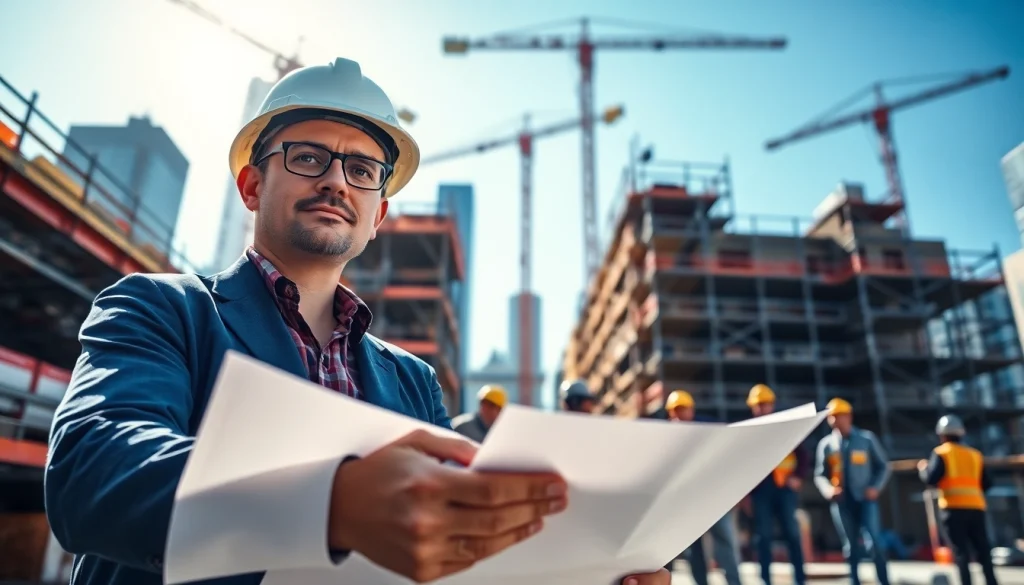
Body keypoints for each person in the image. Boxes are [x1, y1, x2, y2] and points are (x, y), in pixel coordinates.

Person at [42, 58, 670, 585]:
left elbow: (453, 556)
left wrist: (579, 568)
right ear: (252, 185)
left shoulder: (412, 381)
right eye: (309, 158)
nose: (338, 181)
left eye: (363, 171)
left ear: (379, 214)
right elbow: (91, 468)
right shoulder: (160, 309)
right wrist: (328, 501)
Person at [662, 390, 743, 585]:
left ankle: (734, 582)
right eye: (675, 411)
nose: (679, 415)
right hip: (687, 501)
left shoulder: (708, 428)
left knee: (724, 541)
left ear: (691, 410)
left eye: (683, 410)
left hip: (713, 497)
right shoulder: (667, 437)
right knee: (693, 548)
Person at [813, 398, 891, 585]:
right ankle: (854, 581)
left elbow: (883, 467)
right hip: (841, 502)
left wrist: (875, 488)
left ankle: (884, 581)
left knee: (874, 543)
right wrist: (828, 490)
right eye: (831, 417)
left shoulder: (866, 439)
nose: (833, 421)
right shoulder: (826, 445)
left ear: (848, 416)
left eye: (837, 416)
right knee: (850, 547)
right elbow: (819, 474)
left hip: (865, 500)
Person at [919, 414, 999, 585]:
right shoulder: (975, 454)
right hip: (976, 508)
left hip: (953, 509)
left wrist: (923, 469)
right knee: (983, 551)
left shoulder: (941, 452)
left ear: (942, 435)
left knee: (961, 553)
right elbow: (987, 483)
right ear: (961, 433)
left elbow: (931, 479)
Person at [746, 383, 808, 585]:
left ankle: (799, 579)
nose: (761, 408)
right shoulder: (749, 433)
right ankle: (765, 580)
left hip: (784, 490)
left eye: (765, 404)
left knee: (791, 533)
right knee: (763, 536)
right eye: (758, 405)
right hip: (761, 491)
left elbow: (803, 455)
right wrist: (745, 495)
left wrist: (798, 476)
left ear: (772, 405)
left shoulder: (785, 428)